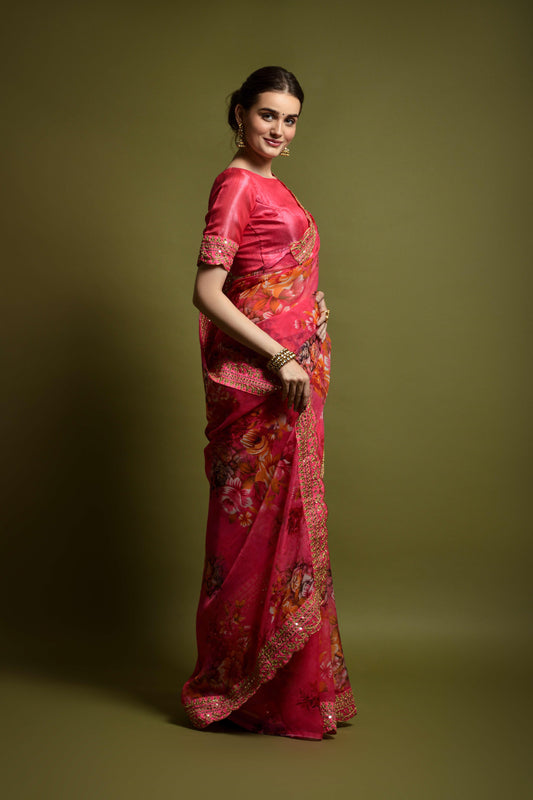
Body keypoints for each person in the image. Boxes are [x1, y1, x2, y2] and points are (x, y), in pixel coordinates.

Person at [180, 66, 357, 739]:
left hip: (294, 380)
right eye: (267, 115)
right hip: (259, 384)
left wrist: (307, 312)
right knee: (248, 536)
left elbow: (270, 276)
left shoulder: (274, 185)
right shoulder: (235, 185)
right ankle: (235, 687)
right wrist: (280, 352)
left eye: (289, 119)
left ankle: (287, 689)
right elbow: (207, 291)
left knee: (292, 532)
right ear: (239, 114)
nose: (279, 130)